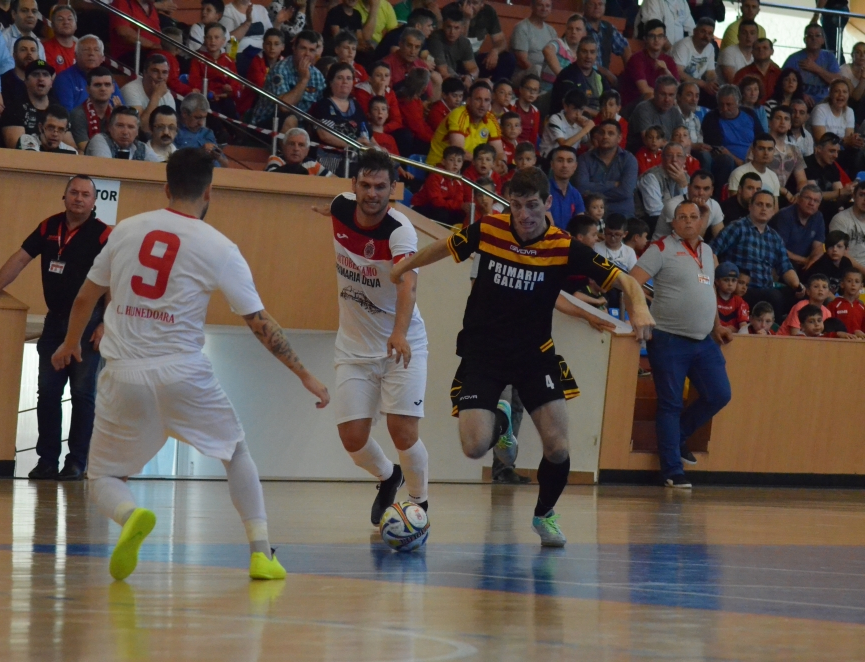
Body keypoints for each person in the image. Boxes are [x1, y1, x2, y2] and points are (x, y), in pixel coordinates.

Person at [50, 149, 330, 582]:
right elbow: (259, 323)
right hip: (184, 374)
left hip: (124, 374)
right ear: (209, 192)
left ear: (165, 187)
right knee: (235, 452)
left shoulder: (124, 230)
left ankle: (131, 515)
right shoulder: (219, 245)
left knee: (103, 474)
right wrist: (304, 373)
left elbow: (85, 297)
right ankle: (260, 553)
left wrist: (70, 343)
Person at [390, 167, 654, 546]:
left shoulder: (563, 246)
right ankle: (502, 421)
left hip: (535, 355)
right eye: (516, 205)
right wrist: (404, 265)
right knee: (473, 446)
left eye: (533, 205)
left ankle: (544, 514)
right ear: (508, 203)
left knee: (558, 446)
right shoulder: (489, 230)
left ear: (548, 203)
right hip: (483, 353)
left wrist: (640, 309)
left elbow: (626, 280)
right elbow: (445, 246)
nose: (524, 215)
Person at [312, 149, 432, 525]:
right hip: (353, 348)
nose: (372, 193)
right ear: (354, 185)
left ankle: (419, 503)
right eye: (365, 184)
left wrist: (398, 332)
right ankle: (388, 476)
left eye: (381, 186)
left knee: (402, 431)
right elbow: (329, 207)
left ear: (392, 188)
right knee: (352, 438)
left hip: (401, 343)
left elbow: (407, 284)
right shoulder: (339, 207)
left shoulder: (400, 231)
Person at [0, 176, 109, 481]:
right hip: (54, 322)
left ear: (93, 201)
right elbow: (21, 258)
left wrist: (106, 322)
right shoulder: (49, 227)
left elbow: (114, 280)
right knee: (47, 392)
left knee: (82, 393)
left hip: (88, 325)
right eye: (73, 192)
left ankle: (77, 462)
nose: (78, 198)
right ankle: (47, 460)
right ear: (63, 197)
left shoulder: (104, 235)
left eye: (85, 194)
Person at [628, 200, 733, 488]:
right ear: (673, 223)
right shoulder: (660, 248)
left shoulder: (708, 250)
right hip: (669, 338)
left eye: (693, 217)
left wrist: (717, 326)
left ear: (702, 222)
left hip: (703, 340)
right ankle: (672, 471)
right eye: (681, 217)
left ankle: (677, 439)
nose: (687, 221)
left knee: (719, 394)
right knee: (671, 405)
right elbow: (632, 281)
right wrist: (636, 314)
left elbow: (708, 289)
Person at [710, 189, 806, 318]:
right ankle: (771, 332)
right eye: (759, 204)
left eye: (768, 206)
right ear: (750, 207)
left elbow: (785, 266)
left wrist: (798, 286)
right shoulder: (737, 227)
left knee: (799, 296)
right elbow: (712, 251)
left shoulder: (775, 237)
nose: (763, 209)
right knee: (774, 297)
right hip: (741, 289)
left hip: (766, 289)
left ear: (773, 211)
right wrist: (720, 278)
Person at [252, 30, 325, 132]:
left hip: (300, 126)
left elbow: (321, 108)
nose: (307, 54)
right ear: (294, 48)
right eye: (303, 48)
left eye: (311, 50)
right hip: (265, 124)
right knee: (289, 118)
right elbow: (284, 107)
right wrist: (304, 80)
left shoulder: (317, 75)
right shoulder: (280, 69)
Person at [702, 84, 764, 193]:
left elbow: (761, 139)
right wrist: (739, 162)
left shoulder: (749, 114)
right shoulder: (712, 118)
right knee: (725, 159)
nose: (724, 109)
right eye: (721, 105)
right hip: (730, 161)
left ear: (738, 103)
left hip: (754, 159)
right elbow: (716, 149)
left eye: (729, 105)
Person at [572, 119, 637, 218]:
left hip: (622, 215)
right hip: (591, 216)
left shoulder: (629, 160)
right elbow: (581, 188)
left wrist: (593, 191)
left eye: (610, 133)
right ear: (597, 136)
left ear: (619, 138)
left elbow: (626, 191)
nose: (605, 136)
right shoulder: (584, 159)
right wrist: (612, 184)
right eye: (601, 133)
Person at [426, 80, 502, 165]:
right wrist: (486, 163)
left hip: (469, 166)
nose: (482, 105)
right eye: (478, 99)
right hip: (440, 167)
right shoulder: (458, 114)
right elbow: (459, 152)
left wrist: (501, 163)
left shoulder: (491, 119)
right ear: (469, 101)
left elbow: (499, 153)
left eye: (486, 100)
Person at [53, 35, 125, 111]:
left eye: (96, 50)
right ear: (76, 56)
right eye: (86, 50)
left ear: (102, 58)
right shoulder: (64, 79)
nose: (91, 53)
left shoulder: (108, 79)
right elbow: (67, 115)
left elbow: (121, 109)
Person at [620, 20, 679, 110]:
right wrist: (669, 98)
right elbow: (644, 90)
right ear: (645, 39)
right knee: (650, 96)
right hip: (634, 107)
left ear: (665, 40)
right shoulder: (636, 59)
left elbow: (678, 89)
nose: (656, 40)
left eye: (660, 36)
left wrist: (667, 72)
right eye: (652, 36)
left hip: (661, 104)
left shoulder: (669, 60)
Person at [549, 36, 609, 118]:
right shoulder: (567, 75)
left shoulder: (599, 76)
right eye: (584, 52)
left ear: (596, 55)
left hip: (598, 121)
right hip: (572, 121)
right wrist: (600, 115)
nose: (588, 56)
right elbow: (574, 105)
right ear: (577, 53)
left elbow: (610, 98)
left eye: (592, 52)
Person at [653, 169, 723, 239]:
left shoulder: (714, 205)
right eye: (697, 188)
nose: (701, 193)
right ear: (688, 188)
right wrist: (705, 214)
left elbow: (721, 239)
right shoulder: (674, 206)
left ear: (712, 191)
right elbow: (691, 241)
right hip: (663, 248)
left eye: (706, 189)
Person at [0, 58, 53, 148]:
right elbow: (17, 148)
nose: (41, 78)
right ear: (26, 81)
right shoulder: (14, 109)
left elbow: (71, 146)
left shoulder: (58, 109)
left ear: (51, 83)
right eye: (35, 74)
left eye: (45, 75)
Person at [782, 24, 841, 104]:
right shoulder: (794, 58)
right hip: (798, 102)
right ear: (805, 39)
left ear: (823, 40)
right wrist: (799, 95)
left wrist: (816, 68)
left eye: (817, 35)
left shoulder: (830, 57)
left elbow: (837, 81)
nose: (813, 38)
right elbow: (782, 82)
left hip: (825, 103)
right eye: (810, 35)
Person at [771, 184, 826, 270]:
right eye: (808, 198)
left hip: (805, 264)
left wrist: (812, 261)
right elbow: (778, 249)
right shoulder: (785, 215)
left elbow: (818, 247)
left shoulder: (818, 216)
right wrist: (804, 260)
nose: (811, 203)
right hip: (782, 262)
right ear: (799, 199)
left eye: (816, 201)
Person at [810, 78, 862, 169]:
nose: (841, 94)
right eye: (837, 91)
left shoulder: (849, 112)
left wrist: (855, 140)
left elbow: (849, 138)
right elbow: (821, 139)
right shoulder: (820, 109)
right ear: (830, 94)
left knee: (858, 153)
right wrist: (844, 141)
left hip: (840, 151)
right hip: (821, 152)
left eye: (845, 92)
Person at [627, 75, 685, 155]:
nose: (667, 99)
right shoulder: (644, 109)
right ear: (654, 93)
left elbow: (682, 139)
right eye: (663, 94)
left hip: (667, 154)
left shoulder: (675, 111)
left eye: (671, 95)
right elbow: (650, 142)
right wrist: (677, 145)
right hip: (643, 156)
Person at [636, 141, 689, 225]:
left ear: (684, 160)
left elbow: (692, 208)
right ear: (662, 158)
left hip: (677, 222)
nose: (674, 160)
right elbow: (655, 213)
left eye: (679, 156)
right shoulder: (651, 177)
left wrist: (683, 185)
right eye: (669, 155)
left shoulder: (685, 177)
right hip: (653, 224)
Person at [412, 144, 466, 224]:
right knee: (442, 214)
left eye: (459, 161)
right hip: (420, 206)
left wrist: (460, 206)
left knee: (462, 215)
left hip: (441, 208)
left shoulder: (459, 180)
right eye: (451, 160)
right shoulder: (435, 175)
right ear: (443, 161)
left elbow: (458, 201)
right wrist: (458, 205)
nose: (455, 164)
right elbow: (436, 201)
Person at [581, 0, 629, 88]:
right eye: (592, 4)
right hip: (584, 78)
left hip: (604, 81)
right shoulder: (578, 28)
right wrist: (606, 73)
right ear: (584, 6)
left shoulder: (608, 28)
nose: (597, 7)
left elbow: (624, 47)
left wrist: (629, 72)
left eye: (600, 4)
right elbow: (574, 57)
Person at [122, 54, 176, 131]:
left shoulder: (168, 96)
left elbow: (171, 128)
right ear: (144, 73)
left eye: (164, 72)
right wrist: (156, 96)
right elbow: (141, 128)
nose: (160, 76)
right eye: (155, 71)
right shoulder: (130, 90)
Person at [86, 106, 161, 161]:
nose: (125, 132)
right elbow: (105, 169)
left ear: (137, 131)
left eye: (131, 127)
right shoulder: (99, 140)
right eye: (120, 126)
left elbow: (159, 170)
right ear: (109, 127)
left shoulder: (142, 148)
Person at [69, 66, 117, 152]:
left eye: (107, 84)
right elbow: (85, 148)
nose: (103, 89)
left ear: (113, 88)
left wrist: (119, 117)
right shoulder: (78, 114)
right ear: (88, 89)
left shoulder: (116, 113)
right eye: (97, 85)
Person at [510, 0, 557, 85]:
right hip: (523, 74)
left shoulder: (551, 31)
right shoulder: (522, 28)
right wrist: (543, 76)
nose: (544, 9)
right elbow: (522, 61)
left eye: (547, 6)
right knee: (537, 69)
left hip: (546, 74)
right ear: (532, 6)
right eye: (540, 5)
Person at [671, 17, 717, 104]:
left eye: (710, 33)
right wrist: (703, 84)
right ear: (694, 31)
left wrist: (713, 83)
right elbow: (678, 73)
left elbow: (710, 72)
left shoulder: (710, 48)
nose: (706, 36)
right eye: (703, 31)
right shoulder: (684, 46)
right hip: (679, 86)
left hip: (696, 87)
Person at [427, 6, 477, 84]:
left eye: (456, 28)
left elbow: (474, 69)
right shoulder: (436, 38)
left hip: (455, 78)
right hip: (437, 80)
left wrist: (470, 77)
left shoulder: (465, 42)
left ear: (462, 29)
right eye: (449, 27)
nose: (452, 32)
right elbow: (443, 71)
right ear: (443, 26)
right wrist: (460, 81)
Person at [540, 88, 593, 156]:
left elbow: (590, 145)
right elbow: (563, 147)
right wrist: (586, 129)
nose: (578, 114)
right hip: (548, 160)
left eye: (581, 110)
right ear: (565, 106)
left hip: (569, 161)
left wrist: (589, 131)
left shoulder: (581, 122)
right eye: (574, 109)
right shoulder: (555, 119)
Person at [107, 0, 161, 66]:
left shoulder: (152, 7)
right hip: (129, 54)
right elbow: (124, 33)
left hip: (152, 52)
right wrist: (153, 45)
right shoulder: (122, 2)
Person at [727, 133, 780, 198]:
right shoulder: (739, 173)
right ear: (753, 150)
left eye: (770, 149)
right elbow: (733, 204)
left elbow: (775, 207)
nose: (766, 153)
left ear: (774, 151)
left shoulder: (773, 176)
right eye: (761, 148)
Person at [265, 126, 332, 175]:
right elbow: (272, 178)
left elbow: (335, 181)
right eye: (291, 144)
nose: (296, 149)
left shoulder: (312, 164)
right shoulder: (276, 160)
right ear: (284, 147)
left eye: (301, 145)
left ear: (307, 150)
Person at [828, 182, 865, 269]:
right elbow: (838, 252)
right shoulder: (840, 219)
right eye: (861, 195)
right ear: (854, 196)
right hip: (850, 271)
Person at [548, 146, 584, 230]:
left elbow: (581, 226)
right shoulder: (543, 191)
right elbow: (549, 228)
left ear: (575, 166)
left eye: (569, 161)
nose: (564, 165)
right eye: (560, 161)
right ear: (552, 165)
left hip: (569, 240)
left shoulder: (576, 194)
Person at [735, 38, 780, 105]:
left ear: (772, 51)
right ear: (752, 52)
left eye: (765, 48)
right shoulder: (742, 74)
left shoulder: (779, 74)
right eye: (757, 48)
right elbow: (735, 96)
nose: (761, 50)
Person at [0, 34, 37, 109]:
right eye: (23, 49)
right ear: (14, 55)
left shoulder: (42, 82)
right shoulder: (3, 81)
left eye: (33, 50)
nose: (29, 53)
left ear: (38, 56)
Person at [717, 19, 756, 85]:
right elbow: (733, 82)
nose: (748, 36)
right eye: (744, 33)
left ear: (757, 37)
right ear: (738, 36)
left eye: (752, 33)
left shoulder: (758, 55)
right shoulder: (728, 52)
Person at [827, 269, 865, 335]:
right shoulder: (834, 305)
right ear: (842, 284)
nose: (853, 284)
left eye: (857, 282)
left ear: (861, 286)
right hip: (839, 343)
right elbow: (829, 329)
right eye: (849, 281)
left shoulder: (862, 307)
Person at [713, 261, 749, 331]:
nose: (730, 284)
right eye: (726, 280)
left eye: (734, 280)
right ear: (717, 281)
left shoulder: (739, 302)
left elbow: (744, 327)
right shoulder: (712, 298)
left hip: (735, 338)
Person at [41, 4, 76, 74]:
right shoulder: (44, 48)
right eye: (60, 19)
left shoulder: (82, 49)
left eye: (70, 19)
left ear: (76, 25)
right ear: (52, 25)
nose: (66, 22)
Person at [513, 73, 540, 148]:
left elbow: (533, 137)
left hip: (527, 149)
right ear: (521, 89)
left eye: (535, 90)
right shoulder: (511, 106)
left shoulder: (536, 111)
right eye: (529, 89)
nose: (532, 93)